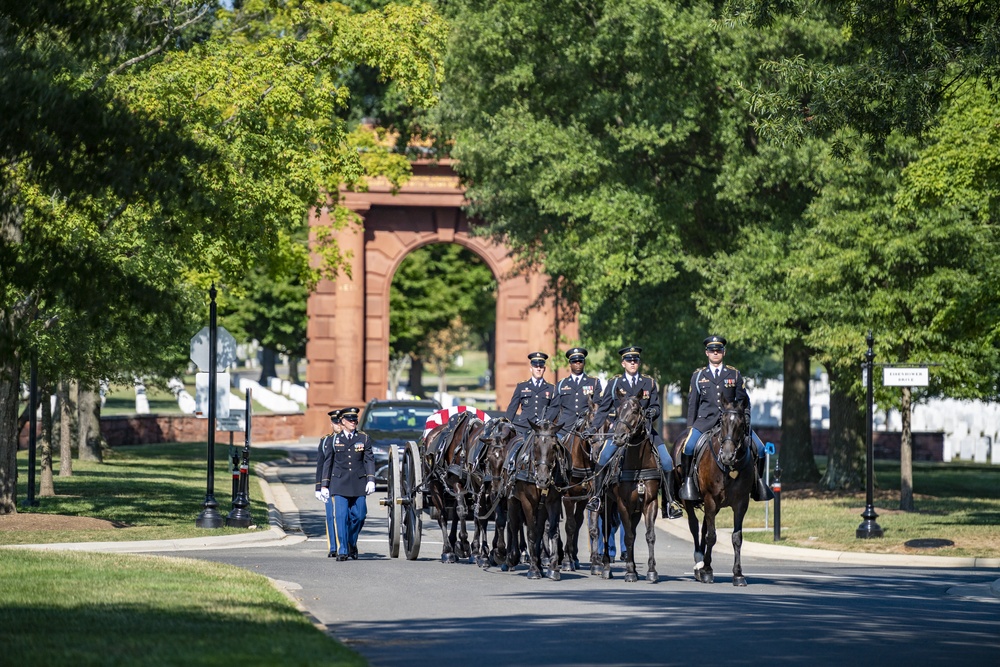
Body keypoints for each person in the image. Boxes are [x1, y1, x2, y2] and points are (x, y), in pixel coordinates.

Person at [585, 346, 683, 519]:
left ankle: (670, 503)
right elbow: (604, 409)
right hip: (619, 432)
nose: (632, 363)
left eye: (635, 360)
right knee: (602, 458)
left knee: (667, 461)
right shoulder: (615, 383)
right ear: (623, 363)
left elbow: (655, 407)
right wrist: (593, 428)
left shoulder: (649, 383)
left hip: (645, 431)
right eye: (629, 360)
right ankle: (597, 497)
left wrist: (651, 413)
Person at [679, 335, 774, 502]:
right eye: (712, 350)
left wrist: (745, 421)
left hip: (732, 424)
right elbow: (693, 404)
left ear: (724, 352)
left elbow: (744, 401)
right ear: (706, 353)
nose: (715, 353)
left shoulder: (734, 374)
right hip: (705, 421)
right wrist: (690, 429)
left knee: (759, 449)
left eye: (719, 350)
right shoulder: (698, 376)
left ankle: (758, 485)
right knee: (688, 447)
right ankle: (688, 483)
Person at [320, 406, 376, 561]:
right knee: (341, 517)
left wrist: (371, 479)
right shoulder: (333, 440)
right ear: (342, 422)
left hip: (358, 483)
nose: (353, 422)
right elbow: (328, 463)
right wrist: (324, 485)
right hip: (339, 483)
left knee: (360, 515)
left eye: (355, 419)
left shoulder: (363, 438)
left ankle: (351, 541)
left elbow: (369, 459)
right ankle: (343, 549)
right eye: (350, 420)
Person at [546, 347, 603, 438]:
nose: (578, 364)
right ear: (570, 364)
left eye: (580, 361)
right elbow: (554, 407)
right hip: (564, 428)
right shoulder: (561, 384)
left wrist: (595, 426)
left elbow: (598, 406)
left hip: (586, 427)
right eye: (574, 362)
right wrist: (545, 422)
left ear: (584, 363)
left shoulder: (594, 382)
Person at [504, 351, 555, 439]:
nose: (538, 369)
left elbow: (554, 409)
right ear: (531, 368)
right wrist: (505, 424)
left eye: (541, 366)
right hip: (523, 427)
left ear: (544, 369)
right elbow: (512, 407)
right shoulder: (522, 386)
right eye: (535, 366)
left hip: (542, 430)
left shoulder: (551, 388)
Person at [315, 409, 343, 557]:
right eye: (335, 422)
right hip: (329, 483)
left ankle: (345, 544)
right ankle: (333, 547)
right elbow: (321, 465)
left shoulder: (350, 439)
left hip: (344, 482)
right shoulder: (325, 440)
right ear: (331, 423)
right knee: (330, 515)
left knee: (344, 515)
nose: (337, 425)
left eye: (339, 421)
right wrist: (318, 487)